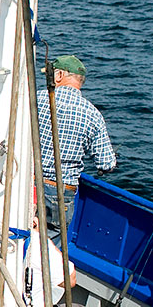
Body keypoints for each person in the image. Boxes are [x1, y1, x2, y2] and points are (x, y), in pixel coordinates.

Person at [35, 54, 116, 232]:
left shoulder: (35, 99)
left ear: (59, 76)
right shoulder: (93, 114)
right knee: (52, 245)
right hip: (61, 192)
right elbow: (106, 163)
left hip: (29, 183)